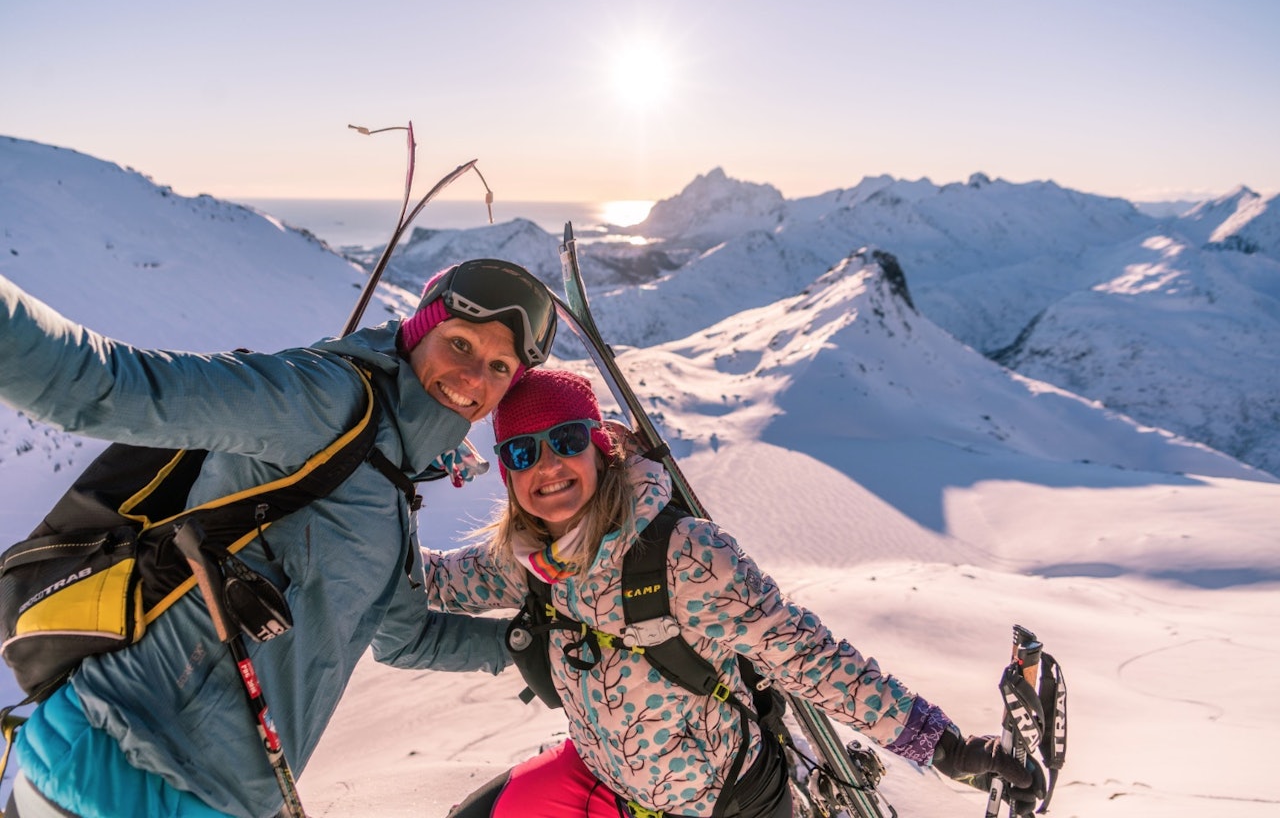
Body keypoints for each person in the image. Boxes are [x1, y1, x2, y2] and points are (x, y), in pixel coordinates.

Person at [0, 258, 558, 818]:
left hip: (222, 802)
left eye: (499, 367)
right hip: (114, 771)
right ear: (417, 333)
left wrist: (527, 646)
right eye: (460, 344)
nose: (474, 379)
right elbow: (108, 386)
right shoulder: (323, 401)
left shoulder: (394, 486)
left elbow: (405, 638)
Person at [424, 369, 1038, 818]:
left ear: (600, 446)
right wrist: (370, 501)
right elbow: (432, 580)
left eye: (565, 441)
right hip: (605, 777)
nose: (548, 466)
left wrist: (948, 748)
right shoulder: (529, 559)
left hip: (723, 803)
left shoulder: (683, 554)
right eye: (523, 451)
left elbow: (810, 657)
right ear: (506, 471)